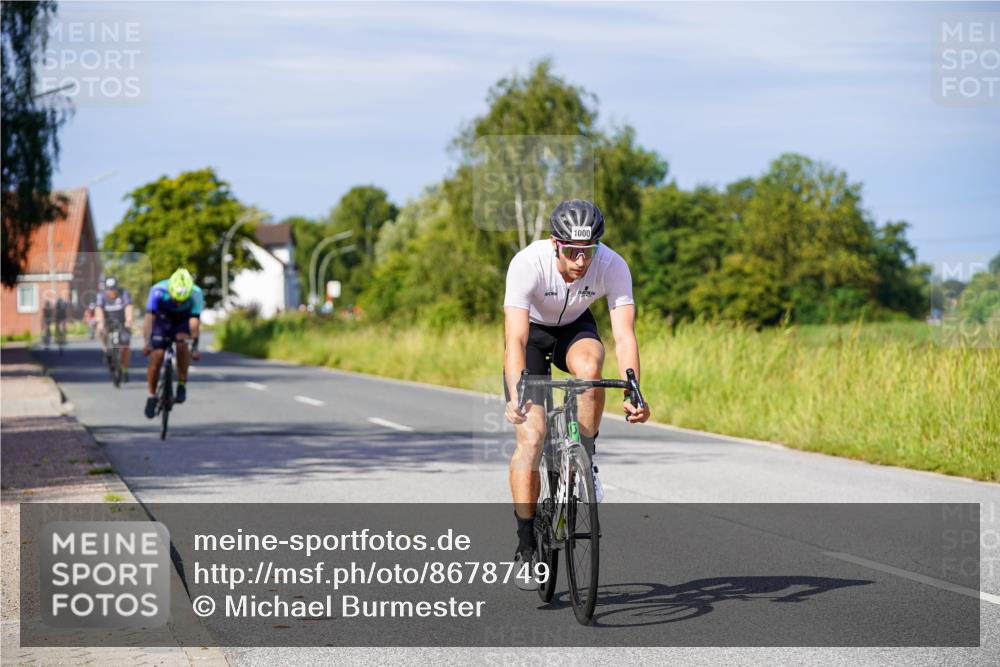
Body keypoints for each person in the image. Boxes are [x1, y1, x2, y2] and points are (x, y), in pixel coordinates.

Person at [502, 199, 651, 589]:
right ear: (555, 244)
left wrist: (634, 387)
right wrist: (519, 392)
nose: (581, 261)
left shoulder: (613, 265)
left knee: (590, 369)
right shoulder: (527, 263)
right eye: (571, 252)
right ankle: (525, 547)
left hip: (574, 328)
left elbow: (624, 334)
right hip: (532, 337)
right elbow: (514, 338)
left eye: (589, 250)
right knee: (531, 442)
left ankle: (584, 454)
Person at [142, 268, 204, 418]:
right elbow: (149, 319)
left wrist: (195, 347)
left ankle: (182, 383)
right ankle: (151, 395)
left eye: (182, 299)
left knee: (182, 345)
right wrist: (147, 342)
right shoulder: (157, 290)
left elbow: (194, 322)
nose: (178, 302)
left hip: (182, 319)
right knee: (157, 355)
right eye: (176, 298)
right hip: (162, 319)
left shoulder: (196, 293)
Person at [95, 277, 133, 380]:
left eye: (113, 289)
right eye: (109, 289)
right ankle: (105, 348)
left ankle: (124, 369)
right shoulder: (101, 296)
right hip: (108, 322)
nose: (111, 291)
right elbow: (99, 309)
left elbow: (128, 307)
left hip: (121, 322)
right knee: (101, 330)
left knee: (125, 345)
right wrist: (100, 322)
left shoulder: (124, 293)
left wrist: (128, 319)